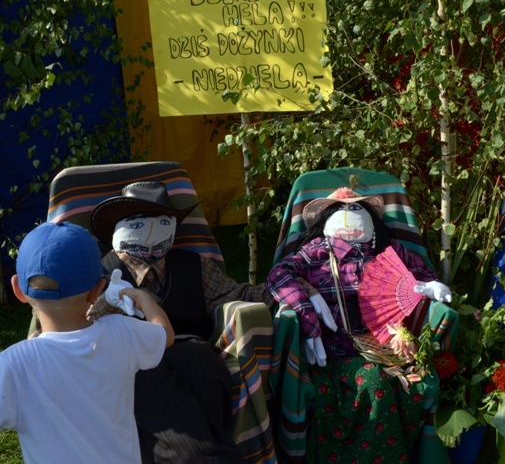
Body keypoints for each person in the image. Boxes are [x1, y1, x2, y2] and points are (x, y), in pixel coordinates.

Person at [88, 180, 270, 464]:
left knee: (204, 369)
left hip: (193, 351)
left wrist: (288, 284)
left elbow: (236, 293)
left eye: (161, 221)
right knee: (147, 381)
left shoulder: (192, 266)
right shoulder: (99, 275)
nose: (150, 229)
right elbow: (76, 322)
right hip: (133, 361)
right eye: (138, 222)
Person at [266, 187, 452, 463]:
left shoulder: (387, 251)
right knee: (372, 384)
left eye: (357, 209)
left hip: (385, 345)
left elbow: (420, 274)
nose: (348, 216)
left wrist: (426, 286)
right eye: (341, 209)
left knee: (402, 386)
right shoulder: (315, 251)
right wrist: (306, 308)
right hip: (331, 348)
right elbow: (279, 274)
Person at [0, 222, 174, 464]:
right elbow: (164, 334)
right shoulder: (122, 331)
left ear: (18, 290)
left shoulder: (13, 365)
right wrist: (142, 297)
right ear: (97, 291)